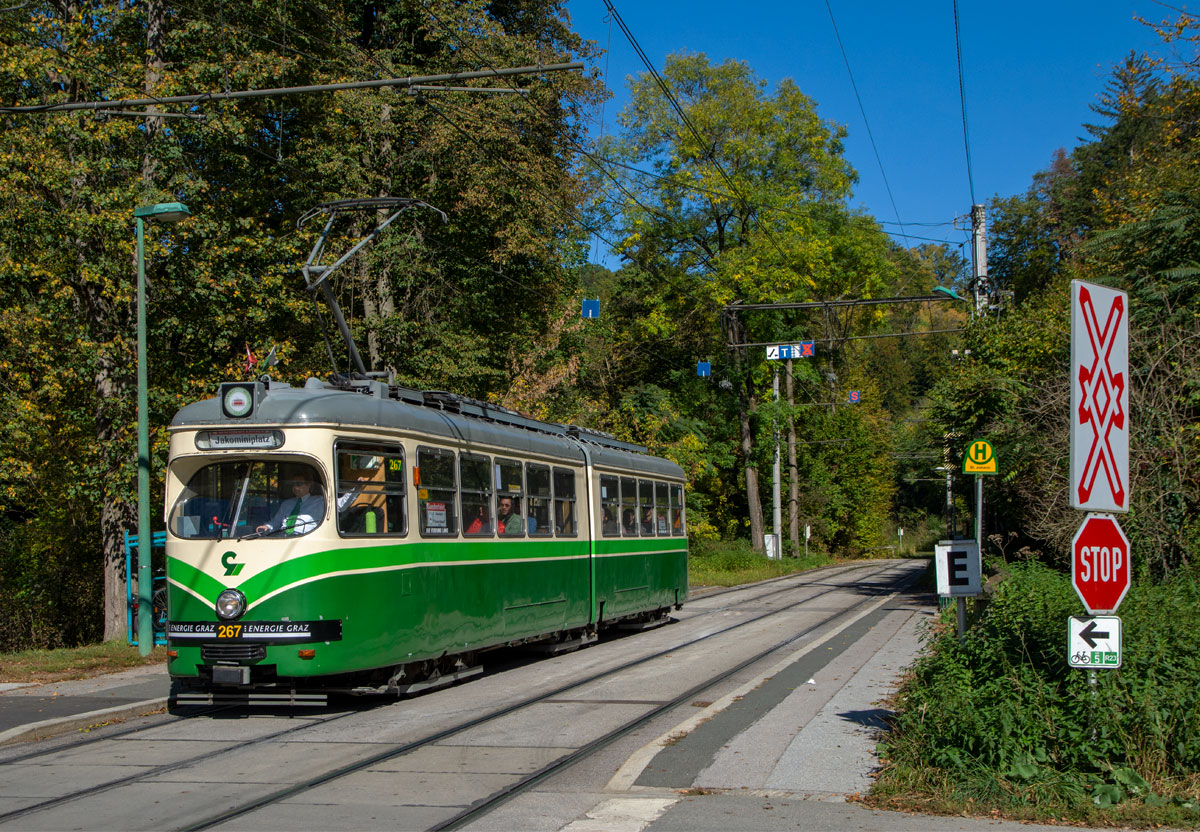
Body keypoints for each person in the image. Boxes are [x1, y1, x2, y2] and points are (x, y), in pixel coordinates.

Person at [258, 471, 326, 535]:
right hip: (284, 536)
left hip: (305, 538)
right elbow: (276, 522)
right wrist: (266, 527)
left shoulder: (320, 501)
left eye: (299, 484)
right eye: (293, 484)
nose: (295, 487)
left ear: (308, 485)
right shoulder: (287, 503)